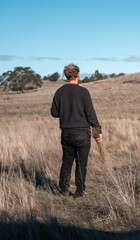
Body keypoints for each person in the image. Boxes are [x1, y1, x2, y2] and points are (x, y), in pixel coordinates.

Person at [51, 64, 102, 198]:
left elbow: (54, 113)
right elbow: (91, 114)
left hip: (66, 133)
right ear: (78, 75)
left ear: (66, 75)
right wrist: (98, 132)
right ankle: (79, 193)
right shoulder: (84, 92)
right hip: (82, 133)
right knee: (81, 163)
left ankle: (63, 191)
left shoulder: (59, 92)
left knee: (67, 162)